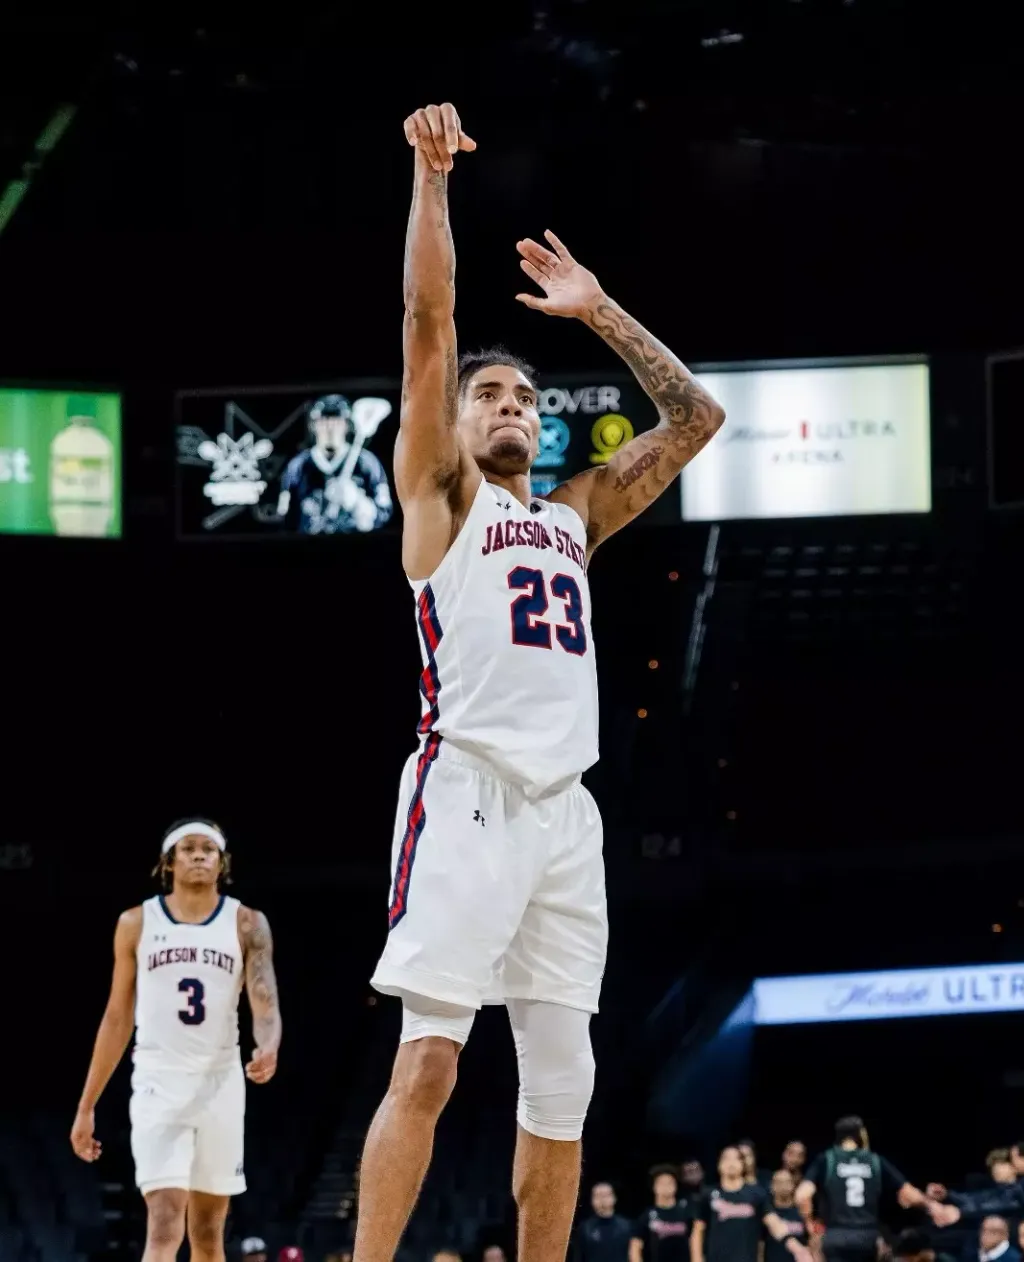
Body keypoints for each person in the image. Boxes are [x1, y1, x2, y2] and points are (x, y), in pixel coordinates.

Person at [353, 100, 726, 1262]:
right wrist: (430, 179)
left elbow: (697, 416)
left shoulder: (573, 514)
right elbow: (429, 319)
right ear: (455, 428)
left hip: (569, 810)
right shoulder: (442, 498)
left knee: (564, 1082)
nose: (513, 406)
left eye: (524, 396)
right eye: (491, 396)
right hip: (467, 790)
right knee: (432, 1055)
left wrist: (599, 308)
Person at [70, 819, 281, 1262]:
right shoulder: (136, 922)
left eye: (209, 848)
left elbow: (264, 1002)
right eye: (189, 848)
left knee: (207, 1231)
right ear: (169, 862)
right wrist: (87, 1104)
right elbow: (116, 1016)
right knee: (165, 1221)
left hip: (220, 1083)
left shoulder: (246, 923)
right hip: (157, 1081)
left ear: (222, 862)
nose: (200, 855)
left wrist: (268, 1045)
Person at [796, 1116, 950, 1262]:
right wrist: (930, 1205)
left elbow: (802, 1196)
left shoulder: (827, 1159)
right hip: (866, 1238)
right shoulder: (875, 1160)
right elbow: (909, 1194)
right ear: (860, 1134)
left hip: (836, 1237)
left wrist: (809, 1223)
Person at [277, 393, 394, 535]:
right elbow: (285, 518)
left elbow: (384, 513)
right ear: (313, 426)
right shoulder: (298, 466)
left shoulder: (367, 463)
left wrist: (357, 501)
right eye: (324, 421)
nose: (330, 429)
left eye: (337, 421)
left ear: (347, 425)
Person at [692, 1147, 813, 1262]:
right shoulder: (708, 1194)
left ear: (743, 1164)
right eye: (726, 1158)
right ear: (719, 1164)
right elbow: (698, 1231)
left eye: (736, 1158)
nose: (731, 1162)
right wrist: (696, 1259)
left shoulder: (756, 1194)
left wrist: (797, 1248)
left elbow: (774, 1223)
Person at [632, 1167, 694, 1262]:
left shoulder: (686, 1212)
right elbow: (635, 1247)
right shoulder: (646, 1216)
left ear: (675, 1186)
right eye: (661, 1183)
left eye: (670, 1182)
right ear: (654, 1187)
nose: (666, 1186)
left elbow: (695, 1241)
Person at [577, 1183, 634, 1262]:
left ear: (614, 1198)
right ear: (592, 1200)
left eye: (606, 1195)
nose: (602, 1199)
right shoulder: (585, 1228)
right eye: (598, 1196)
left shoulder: (627, 1226)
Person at [763, 1169, 807, 1262]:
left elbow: (809, 1244)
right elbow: (760, 1245)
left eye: (787, 1182)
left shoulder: (802, 1213)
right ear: (771, 1186)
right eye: (779, 1182)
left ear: (793, 1185)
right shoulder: (767, 1215)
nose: (783, 1186)